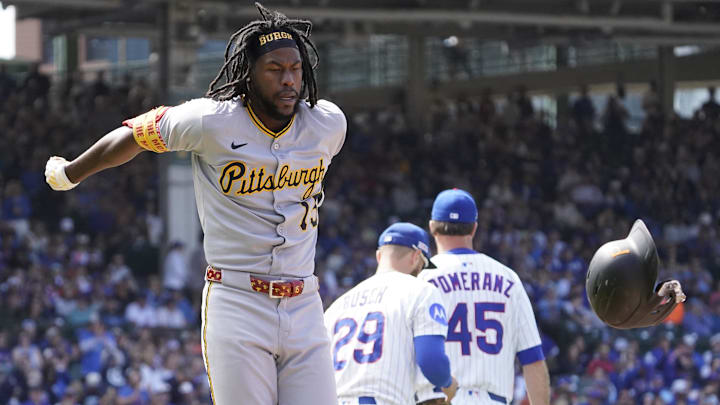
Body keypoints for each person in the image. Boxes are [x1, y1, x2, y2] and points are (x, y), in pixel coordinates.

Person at [44, 3, 346, 404]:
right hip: (239, 301)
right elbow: (133, 136)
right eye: (274, 69)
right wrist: (72, 172)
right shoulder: (210, 121)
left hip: (305, 302)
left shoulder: (327, 124)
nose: (289, 79)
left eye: (295, 69)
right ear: (248, 77)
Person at [415, 189, 550, 405]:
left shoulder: (421, 281)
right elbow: (533, 361)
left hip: (440, 399)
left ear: (432, 227)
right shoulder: (509, 279)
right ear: (475, 227)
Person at [324, 222, 458, 405]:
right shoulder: (421, 291)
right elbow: (431, 360)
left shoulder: (337, 306)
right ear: (416, 257)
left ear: (379, 256)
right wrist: (448, 383)